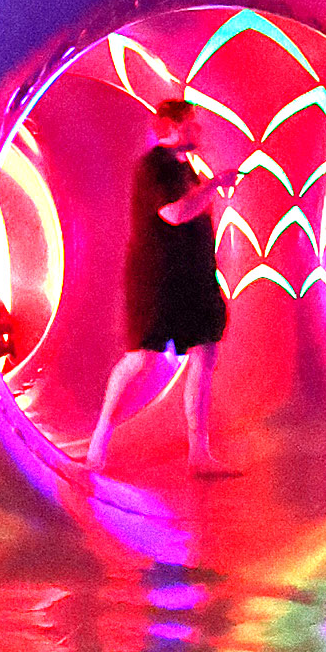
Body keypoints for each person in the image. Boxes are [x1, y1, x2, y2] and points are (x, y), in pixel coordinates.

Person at [87, 92, 235, 474]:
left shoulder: (186, 168)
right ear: (171, 126)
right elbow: (174, 212)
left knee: (206, 352)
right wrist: (214, 185)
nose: (198, 128)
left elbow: (191, 209)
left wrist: (211, 188)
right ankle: (97, 446)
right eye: (191, 122)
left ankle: (198, 454)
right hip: (158, 281)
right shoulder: (154, 167)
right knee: (142, 359)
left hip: (192, 280)